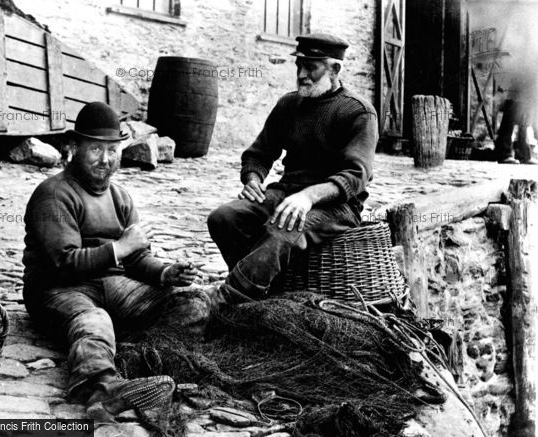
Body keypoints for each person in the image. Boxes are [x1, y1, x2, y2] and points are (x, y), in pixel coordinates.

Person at [22, 102, 202, 420]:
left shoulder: (120, 198)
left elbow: (137, 257)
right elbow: (63, 264)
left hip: (111, 284)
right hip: (57, 290)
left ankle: (148, 356)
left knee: (190, 302)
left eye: (113, 150)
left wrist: (164, 273)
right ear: (73, 148)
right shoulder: (53, 194)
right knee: (94, 322)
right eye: (95, 149)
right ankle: (102, 390)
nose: (105, 160)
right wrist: (120, 248)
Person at [207, 33, 378, 302]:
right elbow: (259, 153)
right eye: (299, 65)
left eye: (312, 67)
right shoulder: (289, 104)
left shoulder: (358, 112)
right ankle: (258, 287)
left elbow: (356, 175)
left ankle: (231, 299)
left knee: (283, 228)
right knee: (225, 217)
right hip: (287, 192)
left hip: (337, 206)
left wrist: (308, 197)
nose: (302, 74)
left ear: (334, 69)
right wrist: (253, 179)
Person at [494, 74, 538, 165]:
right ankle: (504, 153)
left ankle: (523, 153)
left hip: (526, 84)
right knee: (510, 117)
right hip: (515, 83)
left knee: (524, 121)